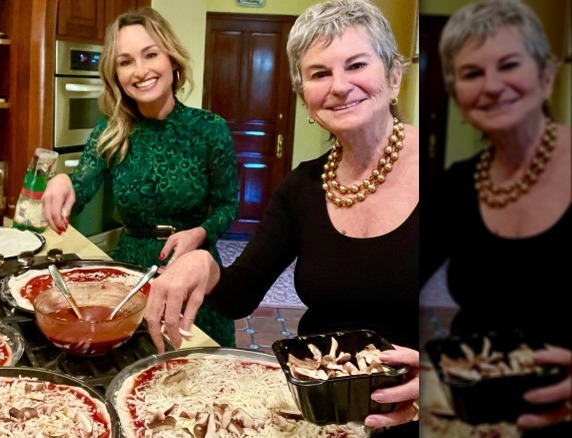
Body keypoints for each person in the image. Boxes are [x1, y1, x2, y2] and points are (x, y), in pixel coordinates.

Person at [144, 0, 420, 433]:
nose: (339, 86)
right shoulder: (302, 187)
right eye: (319, 74)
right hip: (324, 416)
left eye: (356, 64)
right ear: (305, 98)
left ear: (394, 76)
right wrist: (203, 263)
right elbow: (240, 296)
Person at [41, 7, 239, 347]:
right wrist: (61, 180)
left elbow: (227, 205)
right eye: (126, 61)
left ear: (172, 60)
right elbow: (80, 188)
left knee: (197, 373)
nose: (141, 71)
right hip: (130, 276)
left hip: (191, 272)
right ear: (115, 74)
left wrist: (200, 232)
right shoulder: (110, 132)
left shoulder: (210, 129)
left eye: (151, 55)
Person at [423, 0, 571, 434]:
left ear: (546, 76)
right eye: (471, 73)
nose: (491, 86)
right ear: (456, 94)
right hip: (482, 412)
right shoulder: (457, 185)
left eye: (509, 64)